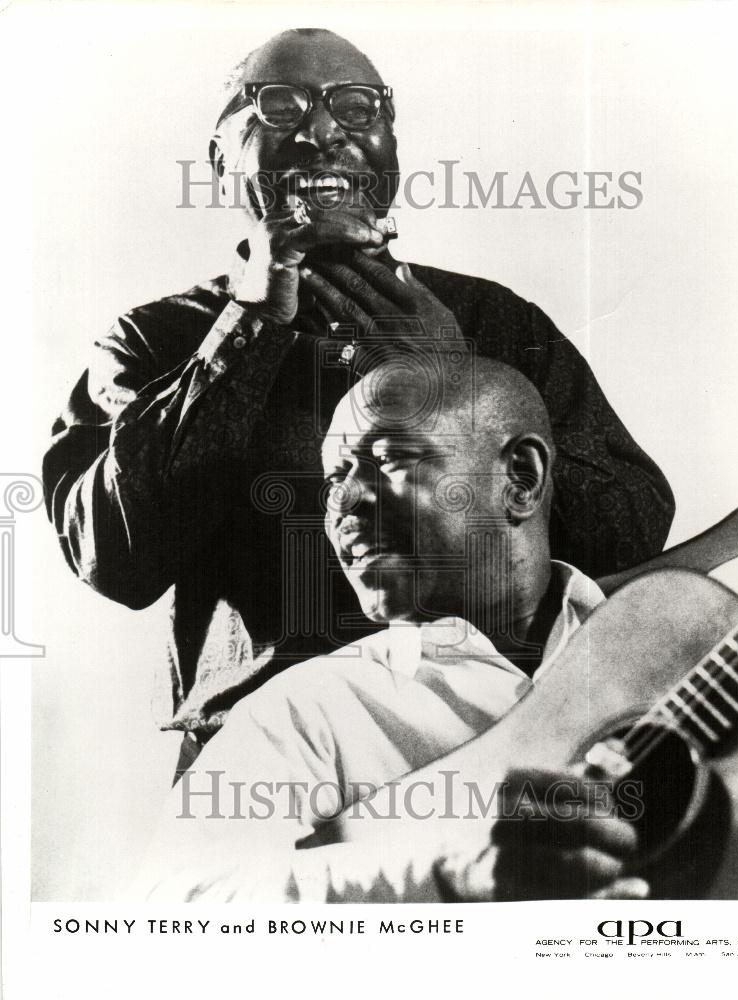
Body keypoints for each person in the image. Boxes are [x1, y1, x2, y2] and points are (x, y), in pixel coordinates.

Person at [42, 28, 674, 763]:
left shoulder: (494, 322)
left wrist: (456, 388)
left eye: (356, 107)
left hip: (501, 738)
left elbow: (628, 536)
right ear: (220, 163)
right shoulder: (154, 341)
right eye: (277, 108)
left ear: (391, 149)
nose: (320, 132)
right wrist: (248, 329)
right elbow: (114, 562)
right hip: (263, 761)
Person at [135, 356, 648, 903]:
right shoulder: (304, 710)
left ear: (520, 480)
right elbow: (173, 905)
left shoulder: (676, 647)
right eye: (335, 477)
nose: (344, 501)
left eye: (389, 458)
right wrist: (441, 872)